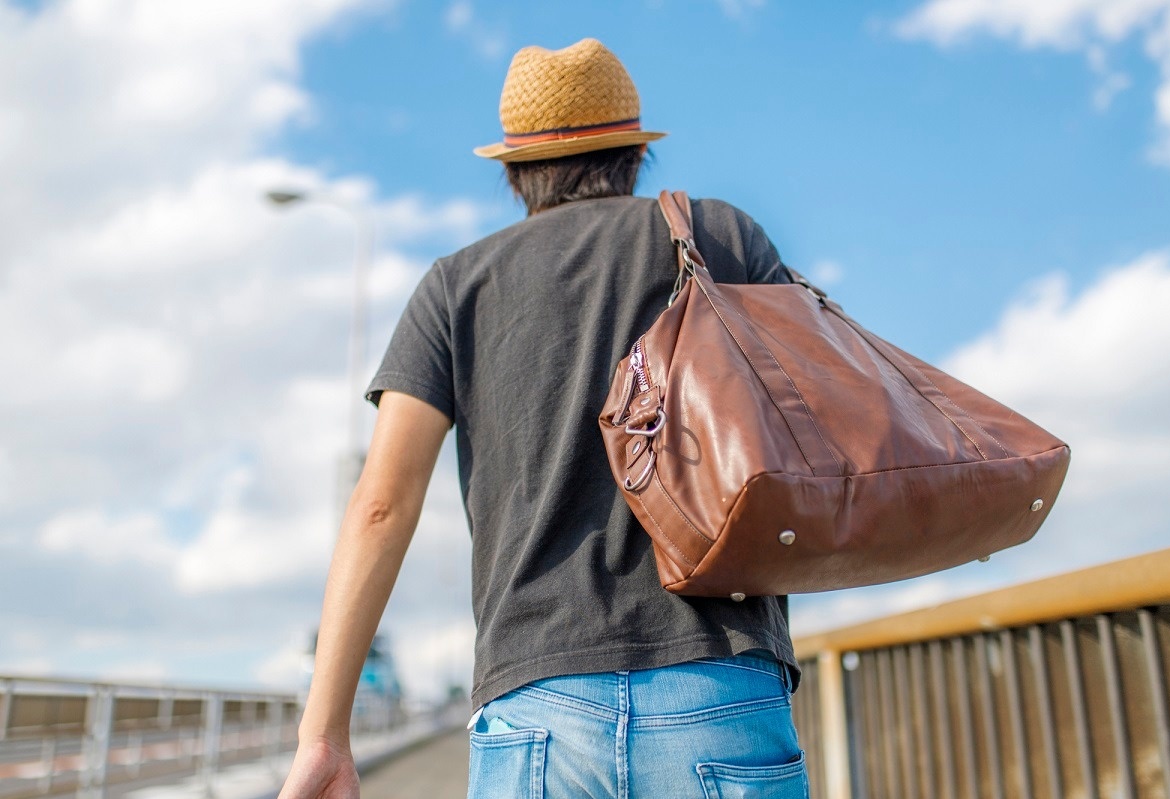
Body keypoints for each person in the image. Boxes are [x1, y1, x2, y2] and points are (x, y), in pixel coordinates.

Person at [277, 38, 808, 798]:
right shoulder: (720, 237)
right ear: (633, 155)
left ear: (513, 171)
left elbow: (381, 505)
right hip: (717, 677)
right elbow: (807, 419)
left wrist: (323, 733)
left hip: (535, 703)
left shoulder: (454, 288)